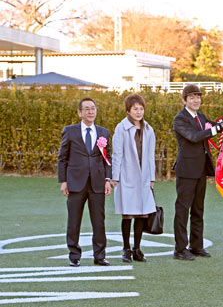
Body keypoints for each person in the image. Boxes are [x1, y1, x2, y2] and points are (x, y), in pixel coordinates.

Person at [173, 84, 223, 260]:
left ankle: (196, 246)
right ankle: (179, 249)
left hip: (201, 170)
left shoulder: (200, 116)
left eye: (198, 97)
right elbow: (194, 136)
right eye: (192, 97)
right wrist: (217, 128)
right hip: (186, 171)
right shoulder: (180, 119)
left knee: (198, 210)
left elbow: (216, 126)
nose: (196, 100)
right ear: (184, 100)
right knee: (182, 210)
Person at [57, 97, 112, 267]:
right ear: (79, 112)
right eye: (87, 109)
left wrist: (107, 179)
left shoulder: (104, 132)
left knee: (99, 221)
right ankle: (74, 255)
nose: (90, 112)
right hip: (75, 182)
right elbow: (62, 158)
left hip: (97, 183)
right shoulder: (70, 131)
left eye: (93, 108)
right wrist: (64, 180)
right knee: (74, 221)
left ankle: (100, 256)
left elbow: (107, 158)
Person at [111, 94, 156, 263]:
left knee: (142, 214)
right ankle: (126, 248)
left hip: (144, 177)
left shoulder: (149, 129)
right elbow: (117, 155)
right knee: (128, 214)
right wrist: (115, 177)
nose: (138, 112)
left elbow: (151, 156)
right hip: (126, 176)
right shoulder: (121, 128)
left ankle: (137, 248)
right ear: (128, 111)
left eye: (141, 108)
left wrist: (152, 178)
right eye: (135, 109)